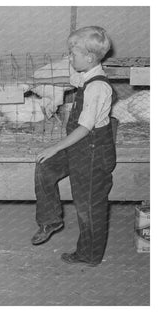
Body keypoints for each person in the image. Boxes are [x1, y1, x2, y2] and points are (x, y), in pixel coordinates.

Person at [31, 26, 117, 267]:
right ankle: (51, 220)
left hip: (92, 151)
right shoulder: (87, 75)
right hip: (80, 147)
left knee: (88, 205)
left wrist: (55, 147)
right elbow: (68, 80)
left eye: (72, 54)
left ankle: (89, 254)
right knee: (45, 168)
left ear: (88, 58)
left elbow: (84, 128)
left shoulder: (98, 87)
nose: (69, 58)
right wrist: (35, 81)